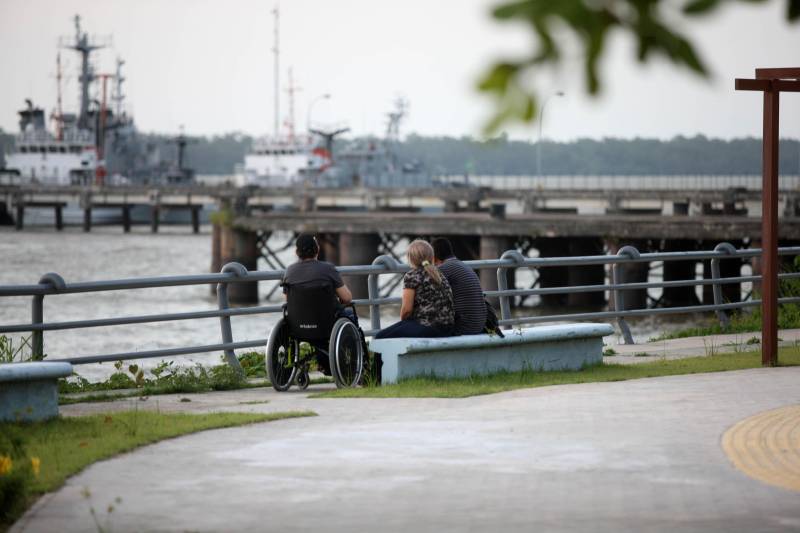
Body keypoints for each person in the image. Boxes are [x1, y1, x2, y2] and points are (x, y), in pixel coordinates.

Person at [281, 233, 354, 373]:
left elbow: (287, 300)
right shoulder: (328, 269)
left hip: (297, 327)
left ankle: (323, 363)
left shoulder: (289, 272)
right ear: (317, 249)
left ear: (296, 252)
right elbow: (347, 298)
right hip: (326, 325)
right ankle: (351, 364)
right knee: (350, 314)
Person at [375, 239, 455, 339]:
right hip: (447, 328)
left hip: (428, 328)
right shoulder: (439, 274)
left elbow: (406, 311)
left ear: (410, 258)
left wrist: (404, 324)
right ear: (431, 256)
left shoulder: (412, 275)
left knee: (380, 336)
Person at [431, 237, 487, 335]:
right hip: (479, 326)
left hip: (463, 328)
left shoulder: (443, 269)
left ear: (434, 257)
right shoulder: (464, 266)